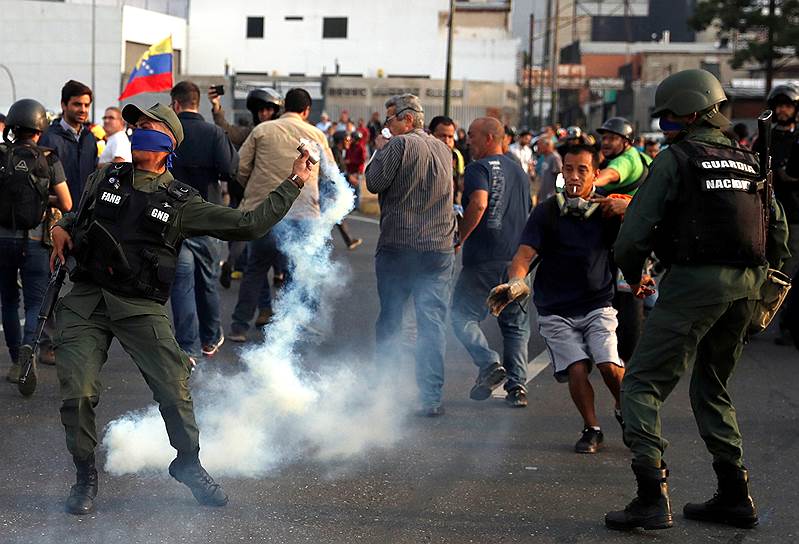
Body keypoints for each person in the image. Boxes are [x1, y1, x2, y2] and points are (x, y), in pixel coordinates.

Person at [49, 102, 312, 515]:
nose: (139, 130)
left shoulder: (182, 201)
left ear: (168, 141)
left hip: (139, 306)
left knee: (174, 391)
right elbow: (76, 216)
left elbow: (249, 225)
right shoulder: (104, 177)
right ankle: (85, 475)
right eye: (137, 125)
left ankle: (188, 463)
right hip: (86, 300)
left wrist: (293, 182)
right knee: (77, 393)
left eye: (150, 126)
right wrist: (60, 227)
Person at [605, 69, 790, 531]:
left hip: (693, 286)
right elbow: (780, 235)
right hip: (747, 287)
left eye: (668, 118)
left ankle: (651, 497)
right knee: (712, 386)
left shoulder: (676, 159)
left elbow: (631, 235)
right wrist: (764, 287)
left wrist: (634, 277)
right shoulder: (748, 160)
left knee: (641, 385)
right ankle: (735, 494)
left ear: (689, 113)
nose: (665, 126)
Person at [489, 144, 627, 452]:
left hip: (598, 303)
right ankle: (592, 428)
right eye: (568, 169)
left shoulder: (609, 211)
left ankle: (626, 409)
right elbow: (524, 254)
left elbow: (653, 220)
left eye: (582, 170)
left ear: (595, 174)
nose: (574, 177)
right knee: (577, 368)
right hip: (555, 308)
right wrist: (515, 283)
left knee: (608, 364)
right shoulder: (547, 211)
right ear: (561, 171)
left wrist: (625, 207)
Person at [366, 93, 455, 417]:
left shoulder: (397, 145)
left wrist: (379, 150)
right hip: (438, 248)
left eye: (390, 120)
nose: (387, 127)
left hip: (400, 245)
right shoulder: (444, 148)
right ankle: (430, 397)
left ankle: (384, 391)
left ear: (407, 119)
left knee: (391, 319)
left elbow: (373, 182)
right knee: (431, 323)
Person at [229, 88, 334, 342]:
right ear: (307, 110)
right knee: (300, 272)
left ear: (284, 106)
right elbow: (330, 174)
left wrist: (253, 191)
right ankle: (295, 325)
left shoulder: (262, 130)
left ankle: (239, 327)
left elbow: (239, 168)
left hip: (264, 213)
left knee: (255, 269)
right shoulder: (317, 135)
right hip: (304, 214)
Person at [451, 117, 531, 407]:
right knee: (515, 325)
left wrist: (460, 236)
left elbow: (480, 202)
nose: (467, 140)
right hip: (518, 261)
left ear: (488, 138)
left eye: (471, 135)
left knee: (460, 315)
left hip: (483, 259)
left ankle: (488, 364)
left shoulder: (477, 168)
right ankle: (517, 388)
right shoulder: (520, 172)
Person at [0, 99, 72, 382]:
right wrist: (43, 196)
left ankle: (16, 358)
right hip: (34, 241)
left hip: (2, 240)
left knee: (7, 301)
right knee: (34, 303)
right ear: (40, 129)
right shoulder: (48, 157)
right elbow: (67, 203)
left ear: (13, 128)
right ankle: (30, 349)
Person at [169, 81, 238, 358]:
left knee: (182, 282)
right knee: (207, 280)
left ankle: (186, 346)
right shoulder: (214, 133)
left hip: (174, 217)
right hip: (208, 216)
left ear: (175, 104)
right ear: (197, 102)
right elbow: (230, 170)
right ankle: (210, 338)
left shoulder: (169, 134)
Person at [759, 84, 799, 346]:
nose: (783, 111)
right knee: (768, 264)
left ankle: (787, 320)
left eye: (788, 106)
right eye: (779, 106)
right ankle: (757, 315)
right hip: (769, 212)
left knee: (791, 267)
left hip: (795, 212)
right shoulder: (766, 137)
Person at [39, 80, 98, 203]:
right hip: (58, 216)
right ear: (63, 105)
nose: (83, 109)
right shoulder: (48, 138)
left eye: (86, 105)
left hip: (83, 213)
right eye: (77, 104)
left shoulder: (90, 138)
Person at [208, 86, 283, 149]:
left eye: (269, 109)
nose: (264, 113)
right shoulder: (253, 133)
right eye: (260, 110)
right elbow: (229, 132)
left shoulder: (285, 133)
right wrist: (216, 105)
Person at [429, 115, 465, 203]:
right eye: (442, 136)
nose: (447, 141)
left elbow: (459, 180)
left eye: (450, 137)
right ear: (430, 135)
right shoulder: (423, 155)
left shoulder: (456, 155)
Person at [533, 136, 562, 202]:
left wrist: (555, 195)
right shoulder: (545, 157)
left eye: (539, 144)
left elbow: (560, 177)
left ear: (547, 145)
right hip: (543, 197)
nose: (538, 147)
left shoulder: (555, 158)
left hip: (550, 198)